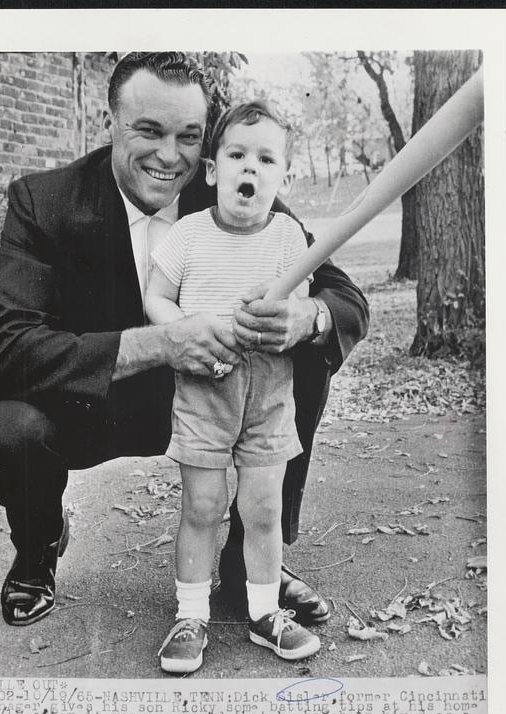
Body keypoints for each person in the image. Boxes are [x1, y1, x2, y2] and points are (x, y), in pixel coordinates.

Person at [0, 51, 369, 631]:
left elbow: (345, 298)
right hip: (102, 404)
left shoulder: (235, 184)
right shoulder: (44, 202)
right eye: (149, 130)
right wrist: (163, 343)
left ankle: (249, 564)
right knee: (10, 429)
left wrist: (307, 317)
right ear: (110, 122)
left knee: (303, 349)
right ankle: (39, 546)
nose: (169, 156)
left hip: (226, 401)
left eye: (188, 136)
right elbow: (8, 349)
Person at [147, 101, 323, 673]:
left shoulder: (289, 237)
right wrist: (184, 331)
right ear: (214, 169)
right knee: (202, 504)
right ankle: (191, 615)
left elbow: (301, 305)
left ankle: (265, 612)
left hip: (270, 387)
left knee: (262, 506)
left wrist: (293, 314)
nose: (251, 167)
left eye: (266, 159)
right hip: (203, 384)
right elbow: (155, 297)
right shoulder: (187, 235)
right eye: (238, 154)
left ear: (283, 177)